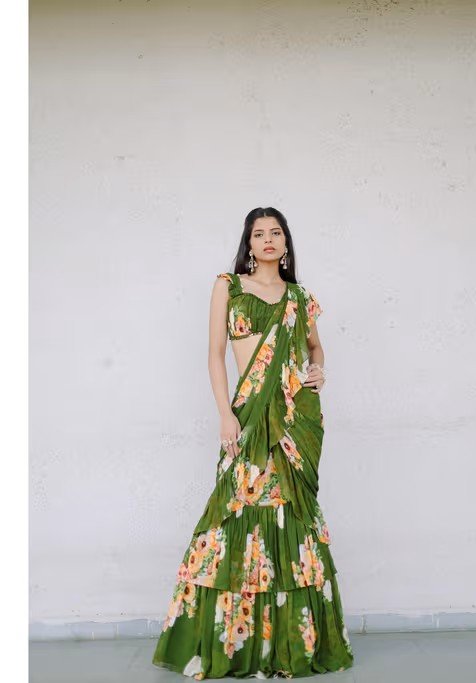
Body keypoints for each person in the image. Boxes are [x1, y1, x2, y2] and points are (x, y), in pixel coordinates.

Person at [152, 207, 354, 678]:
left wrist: (318, 369)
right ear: (248, 242)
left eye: (276, 232)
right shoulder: (228, 285)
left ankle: (290, 645)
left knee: (293, 516)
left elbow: (315, 347)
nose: (267, 239)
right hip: (246, 413)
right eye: (259, 233)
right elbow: (214, 355)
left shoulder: (300, 297)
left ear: (285, 243)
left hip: (294, 418)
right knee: (234, 510)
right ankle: (236, 645)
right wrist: (225, 415)